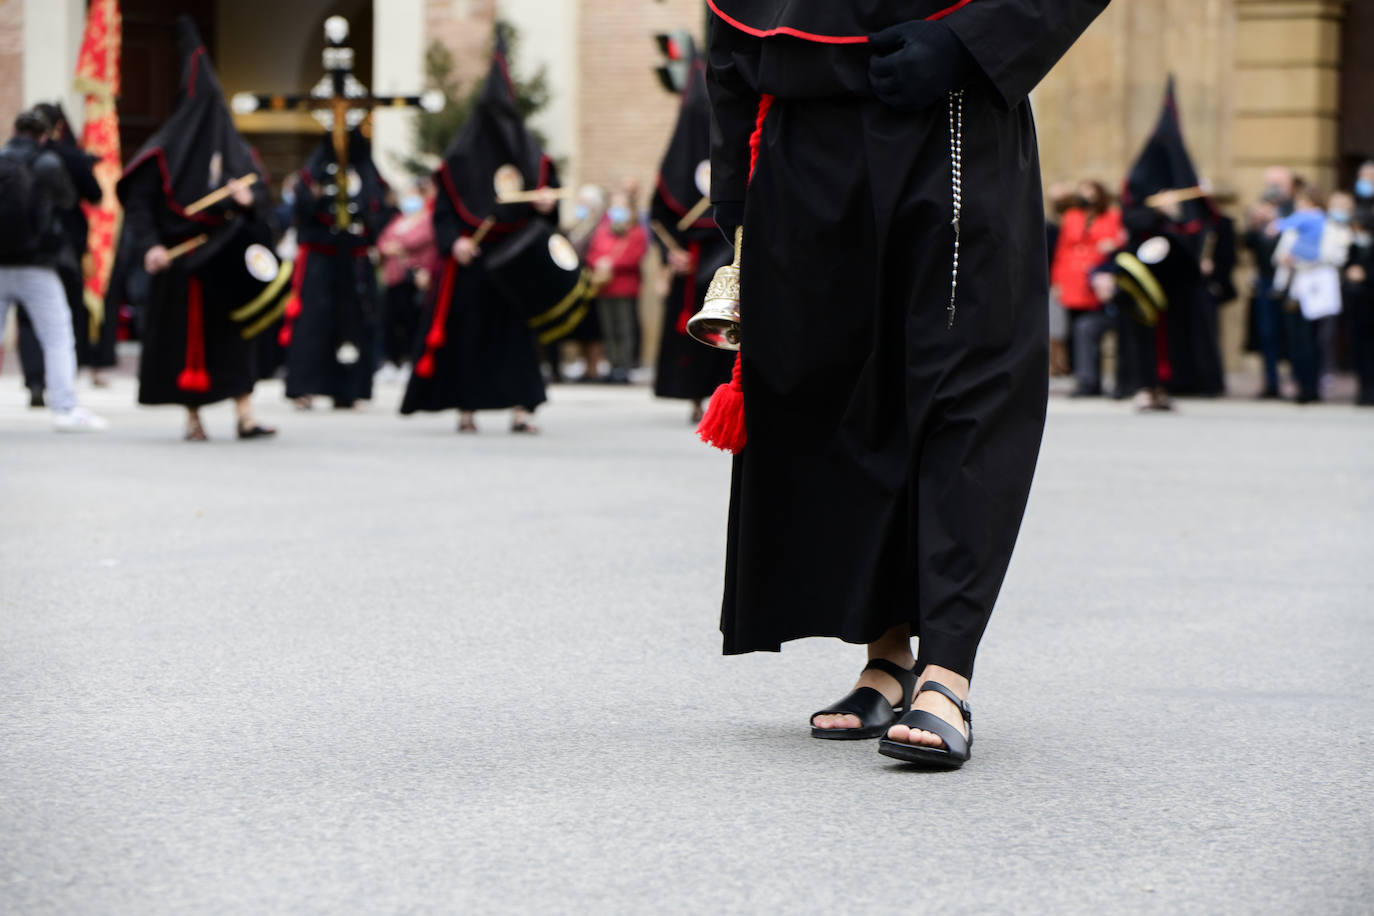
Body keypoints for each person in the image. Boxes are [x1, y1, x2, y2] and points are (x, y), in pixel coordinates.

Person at [704, 0, 1106, 768]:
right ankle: (886, 655)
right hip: (802, 142)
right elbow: (730, 24)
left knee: (964, 393)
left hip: (948, 114)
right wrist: (733, 178)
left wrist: (968, 41)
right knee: (846, 402)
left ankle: (947, 668)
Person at [119, 19, 276, 440]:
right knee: (187, 344)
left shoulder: (236, 150)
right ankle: (193, 416)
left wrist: (249, 200)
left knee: (236, 340)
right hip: (181, 262)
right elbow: (138, 206)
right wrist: (149, 245)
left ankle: (245, 414)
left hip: (225, 258)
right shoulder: (162, 152)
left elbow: (263, 198)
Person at [402, 27, 551, 434]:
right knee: (468, 336)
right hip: (474, 261)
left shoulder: (534, 157)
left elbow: (548, 212)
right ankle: (466, 406)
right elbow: (443, 214)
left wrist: (545, 207)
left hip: (517, 260)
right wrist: (456, 242)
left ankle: (523, 408)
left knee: (517, 340)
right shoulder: (458, 161)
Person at [0, 110, 106, 432]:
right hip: (38, 264)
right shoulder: (47, 163)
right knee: (58, 335)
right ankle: (64, 408)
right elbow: (68, 199)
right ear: (44, 135)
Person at [650, 57, 736, 423]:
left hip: (728, 250)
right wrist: (670, 254)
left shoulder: (732, 149)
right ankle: (693, 396)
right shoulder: (675, 161)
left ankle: (726, 394)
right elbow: (659, 216)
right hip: (691, 257)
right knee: (693, 330)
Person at [281, 129, 389, 410]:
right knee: (312, 324)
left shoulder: (365, 171)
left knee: (355, 323)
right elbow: (302, 208)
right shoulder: (315, 170)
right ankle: (304, 387)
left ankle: (349, 389)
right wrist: (315, 198)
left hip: (355, 261)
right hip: (320, 257)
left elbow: (378, 210)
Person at [1050, 179, 1124, 395]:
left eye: (1090, 192)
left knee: (1092, 326)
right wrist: (1057, 281)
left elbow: (1116, 242)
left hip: (1097, 281)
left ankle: (1093, 379)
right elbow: (1062, 251)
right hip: (1073, 280)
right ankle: (1085, 377)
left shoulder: (1112, 216)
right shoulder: (1072, 217)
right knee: (1075, 329)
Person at [376, 177, 438, 377]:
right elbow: (383, 240)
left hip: (413, 277)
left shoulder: (429, 218)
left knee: (412, 320)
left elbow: (419, 239)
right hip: (392, 277)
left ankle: (411, 359)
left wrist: (397, 246)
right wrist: (392, 247)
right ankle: (391, 361)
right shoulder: (398, 219)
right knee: (390, 321)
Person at [586, 189, 648, 384]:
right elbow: (592, 252)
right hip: (605, 288)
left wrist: (612, 263)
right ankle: (612, 364)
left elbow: (634, 256)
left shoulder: (636, 232)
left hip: (625, 288)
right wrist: (599, 262)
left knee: (624, 328)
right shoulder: (603, 230)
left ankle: (624, 366)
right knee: (609, 329)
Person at [558, 184, 607, 382]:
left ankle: (594, 367)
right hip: (575, 283)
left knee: (594, 329)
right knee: (581, 328)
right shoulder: (576, 226)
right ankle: (585, 365)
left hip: (591, 282)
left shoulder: (599, 228)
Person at [1346, 183, 1374, 405]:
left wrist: (1365, 274)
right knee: (1360, 350)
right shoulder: (1354, 245)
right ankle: (1363, 390)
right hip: (1358, 305)